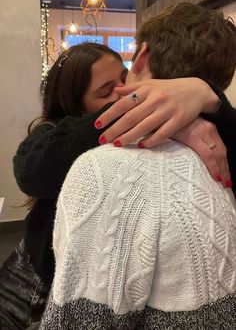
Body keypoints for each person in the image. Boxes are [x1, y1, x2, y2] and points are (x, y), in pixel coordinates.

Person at [0, 28, 234, 327]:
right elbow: (29, 169)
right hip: (33, 280)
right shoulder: (54, 136)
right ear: (74, 100)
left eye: (124, 79)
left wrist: (207, 98)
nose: (123, 92)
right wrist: (143, 110)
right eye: (105, 91)